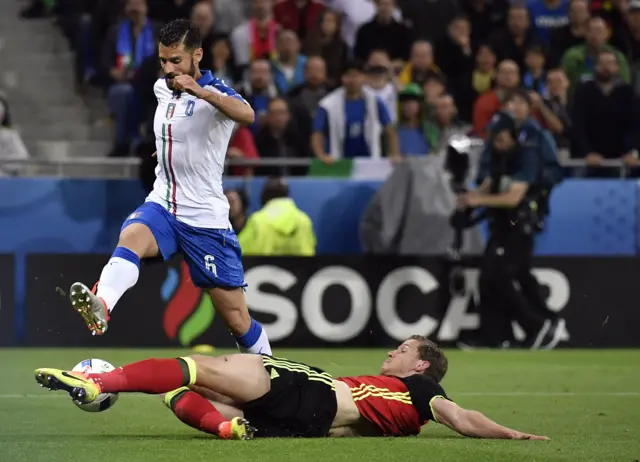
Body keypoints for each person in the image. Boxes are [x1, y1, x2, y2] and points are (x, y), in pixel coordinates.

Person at [67, 19, 272, 357]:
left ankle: (272, 375)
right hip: (163, 203)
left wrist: (202, 91)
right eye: (163, 60)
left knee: (237, 320)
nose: (168, 68)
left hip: (205, 219)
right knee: (131, 236)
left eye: (176, 60)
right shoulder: (162, 88)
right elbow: (174, 130)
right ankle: (102, 304)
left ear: (197, 56)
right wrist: (165, 148)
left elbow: (247, 115)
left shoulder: (215, 91)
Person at [34, 335, 550, 441]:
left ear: (420, 367)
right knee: (177, 392)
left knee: (195, 367)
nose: (393, 351)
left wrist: (509, 434)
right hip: (303, 423)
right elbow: (350, 430)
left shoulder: (419, 393)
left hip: (307, 392)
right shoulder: (400, 415)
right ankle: (227, 427)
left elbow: (461, 418)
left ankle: (94, 378)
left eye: (404, 349)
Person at [458, 108, 564, 349]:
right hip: (500, 224)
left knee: (504, 274)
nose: (496, 141)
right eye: (494, 136)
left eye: (500, 136)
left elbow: (513, 197)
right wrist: (468, 198)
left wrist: (478, 201)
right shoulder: (497, 155)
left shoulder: (525, 156)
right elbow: (488, 185)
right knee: (488, 277)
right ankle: (495, 337)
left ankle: (537, 325)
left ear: (512, 134)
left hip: (519, 224)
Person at [239, 177, 316, 256]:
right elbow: (311, 249)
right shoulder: (304, 219)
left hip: (265, 267)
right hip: (302, 267)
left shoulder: (257, 220)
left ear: (264, 195)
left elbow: (240, 251)